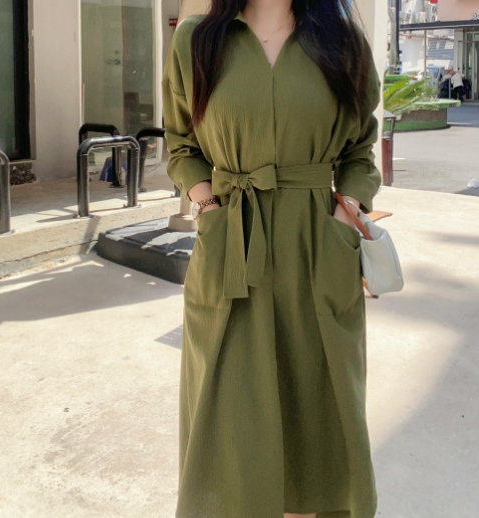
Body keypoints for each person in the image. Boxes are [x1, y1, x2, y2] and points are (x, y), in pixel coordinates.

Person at [162, 1, 382, 517]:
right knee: (230, 410)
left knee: (317, 402)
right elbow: (181, 144)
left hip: (316, 243)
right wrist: (209, 207)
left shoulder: (343, 40)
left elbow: (359, 150)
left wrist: (345, 216)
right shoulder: (196, 39)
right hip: (231, 244)